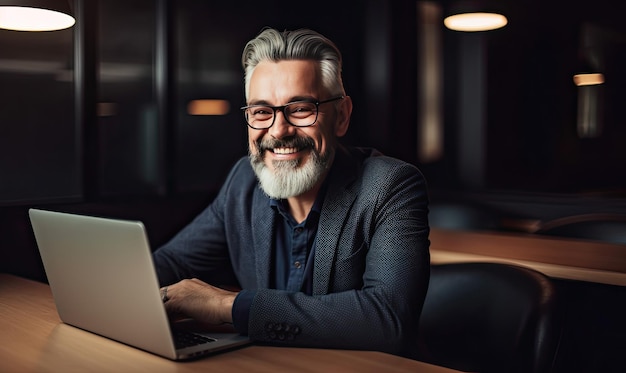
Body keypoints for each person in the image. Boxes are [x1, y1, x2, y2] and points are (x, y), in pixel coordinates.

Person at [152, 27, 430, 359]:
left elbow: (387, 320)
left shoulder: (391, 185)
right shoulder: (244, 180)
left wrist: (227, 305)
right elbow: (172, 261)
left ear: (340, 116)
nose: (278, 130)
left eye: (300, 109)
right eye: (261, 112)